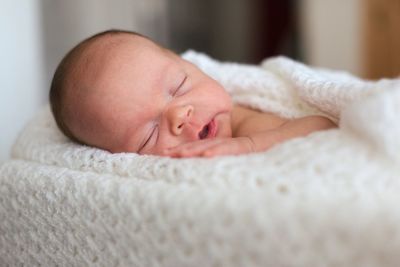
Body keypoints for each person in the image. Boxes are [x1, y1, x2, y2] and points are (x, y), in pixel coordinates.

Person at [49, 29, 336, 158]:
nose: (178, 116)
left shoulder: (245, 121)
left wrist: (247, 145)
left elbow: (321, 126)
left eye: (179, 87)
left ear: (193, 66)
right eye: (149, 135)